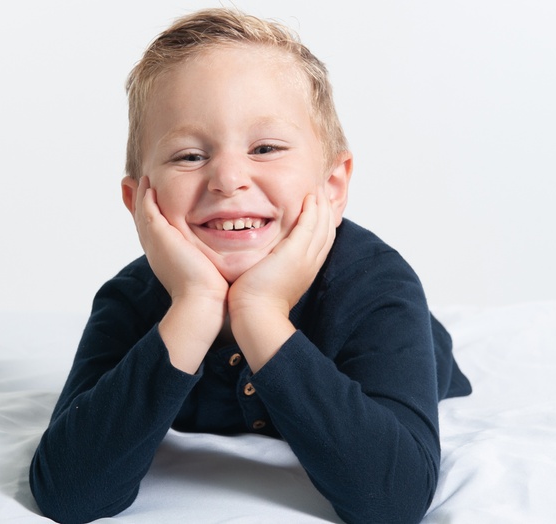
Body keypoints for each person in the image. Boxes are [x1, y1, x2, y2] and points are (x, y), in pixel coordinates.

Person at [30, 8, 471, 524]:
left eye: (265, 147)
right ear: (138, 200)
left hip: (406, 354)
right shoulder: (129, 301)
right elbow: (69, 493)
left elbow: (392, 501)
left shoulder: (377, 287)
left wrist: (260, 311)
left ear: (333, 186)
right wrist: (194, 307)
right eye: (189, 156)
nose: (228, 179)